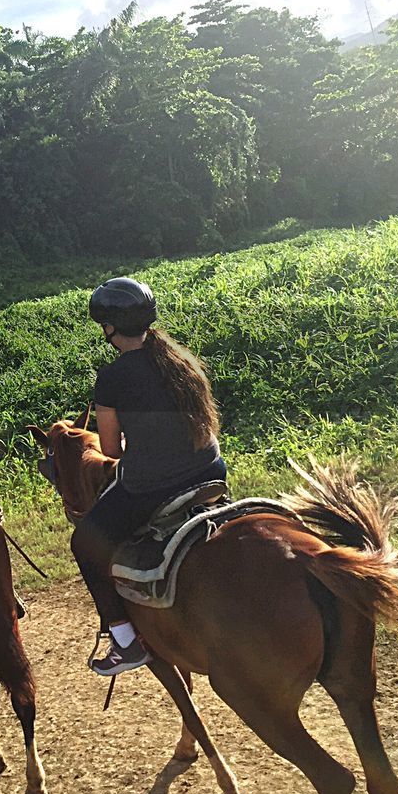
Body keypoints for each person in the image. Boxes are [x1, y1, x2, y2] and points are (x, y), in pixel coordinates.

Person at [73, 277, 227, 676]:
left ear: (108, 328)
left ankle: (125, 642)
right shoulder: (179, 358)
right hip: (211, 469)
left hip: (156, 484)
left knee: (85, 544)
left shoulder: (113, 376)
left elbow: (110, 451)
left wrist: (134, 438)